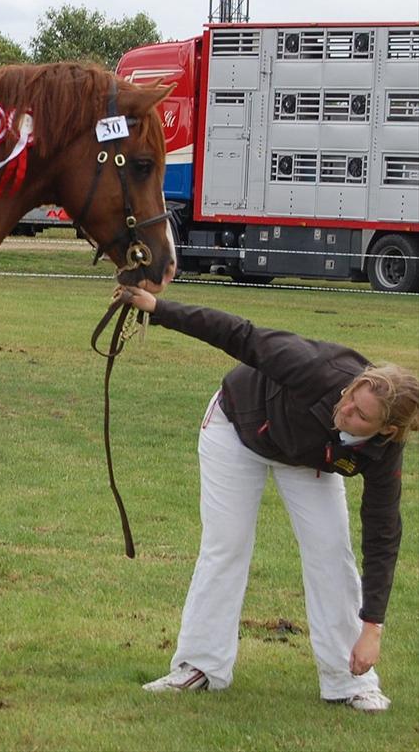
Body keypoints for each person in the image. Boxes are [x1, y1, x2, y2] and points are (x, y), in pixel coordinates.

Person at [116, 286, 418, 713]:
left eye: (360, 415)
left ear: (385, 430)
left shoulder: (385, 450)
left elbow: (383, 535)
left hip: (308, 457)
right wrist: (159, 309)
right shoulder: (316, 369)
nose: (346, 409)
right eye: (352, 395)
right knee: (227, 544)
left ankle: (350, 681)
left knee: (332, 552)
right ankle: (200, 666)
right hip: (238, 427)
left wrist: (373, 627)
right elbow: (239, 334)